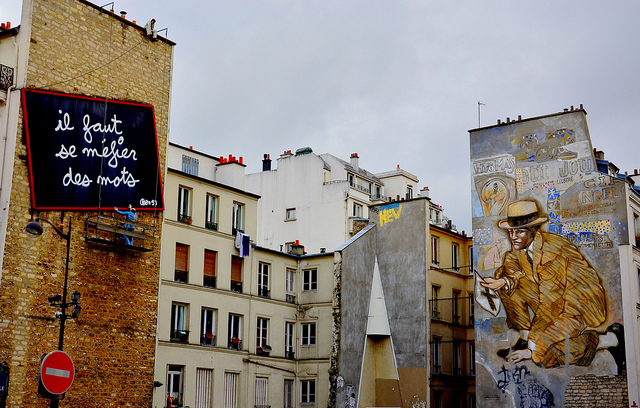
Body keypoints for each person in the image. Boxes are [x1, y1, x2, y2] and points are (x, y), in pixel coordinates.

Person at [480, 200, 609, 368]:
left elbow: (550, 306)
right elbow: (511, 262)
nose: (512, 237)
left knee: (544, 357)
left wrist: (534, 348)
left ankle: (602, 340)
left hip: (579, 306)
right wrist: (504, 281)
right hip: (554, 300)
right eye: (511, 231)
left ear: (533, 230)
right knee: (508, 284)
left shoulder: (552, 254)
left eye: (518, 232)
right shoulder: (523, 248)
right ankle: (524, 339)